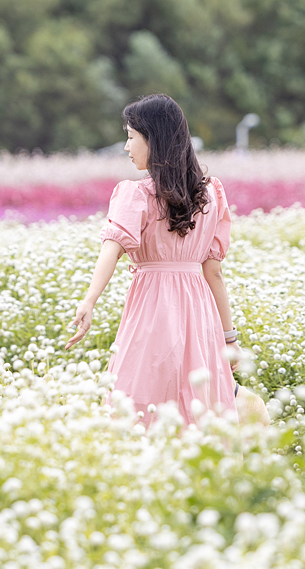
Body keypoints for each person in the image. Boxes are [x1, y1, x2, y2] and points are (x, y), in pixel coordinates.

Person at [67, 93, 239, 425]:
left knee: (139, 395)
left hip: (153, 307)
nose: (127, 147)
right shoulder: (210, 194)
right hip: (199, 312)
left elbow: (112, 248)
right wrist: (229, 338)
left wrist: (89, 300)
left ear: (153, 139)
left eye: (132, 137)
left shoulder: (135, 193)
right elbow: (213, 273)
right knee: (199, 404)